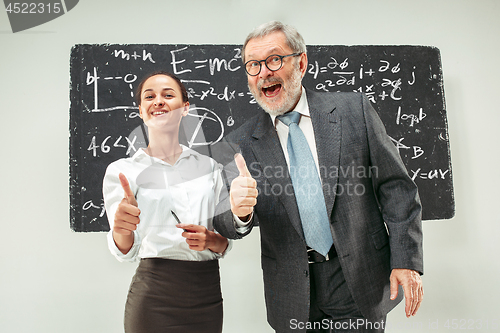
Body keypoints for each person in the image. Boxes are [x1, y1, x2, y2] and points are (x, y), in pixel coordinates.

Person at [213, 21, 423, 333]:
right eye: (253, 65)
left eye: (274, 59)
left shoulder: (354, 111)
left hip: (358, 279)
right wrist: (239, 212)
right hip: (291, 292)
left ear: (301, 62)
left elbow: (396, 187)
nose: (264, 73)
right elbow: (224, 220)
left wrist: (405, 259)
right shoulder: (236, 144)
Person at [103, 71, 230, 333]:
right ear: (141, 110)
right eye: (150, 97)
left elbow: (224, 241)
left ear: (185, 108)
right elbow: (126, 251)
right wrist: (121, 229)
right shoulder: (122, 171)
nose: (158, 101)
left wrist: (210, 240)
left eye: (168, 95)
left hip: (207, 293)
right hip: (154, 294)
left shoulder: (210, 167)